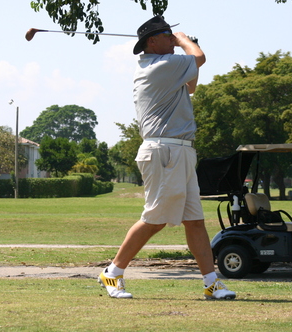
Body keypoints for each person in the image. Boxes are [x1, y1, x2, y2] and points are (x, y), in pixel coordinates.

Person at [98, 15, 236, 300]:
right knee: (155, 219)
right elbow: (200, 58)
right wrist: (186, 40)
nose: (172, 40)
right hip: (164, 151)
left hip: (180, 151)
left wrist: (187, 45)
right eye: (167, 36)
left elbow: (193, 85)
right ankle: (112, 272)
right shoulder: (156, 66)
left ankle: (211, 282)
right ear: (152, 41)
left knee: (195, 220)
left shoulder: (168, 67)